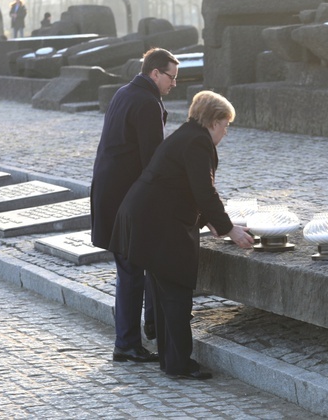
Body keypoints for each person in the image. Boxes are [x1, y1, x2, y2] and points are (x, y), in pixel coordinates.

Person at [109, 91, 254, 380]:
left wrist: (209, 221)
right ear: (213, 121)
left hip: (145, 219)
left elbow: (182, 186)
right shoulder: (198, 141)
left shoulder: (187, 135)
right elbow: (204, 190)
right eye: (226, 124)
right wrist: (228, 228)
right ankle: (179, 364)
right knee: (176, 291)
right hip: (156, 224)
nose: (226, 131)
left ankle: (171, 360)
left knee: (167, 293)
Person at [90, 48, 179, 363]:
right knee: (131, 271)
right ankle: (126, 344)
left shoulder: (125, 92)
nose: (174, 84)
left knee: (135, 266)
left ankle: (148, 327)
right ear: (155, 73)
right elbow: (153, 163)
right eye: (171, 77)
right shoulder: (146, 103)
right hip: (125, 201)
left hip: (110, 195)